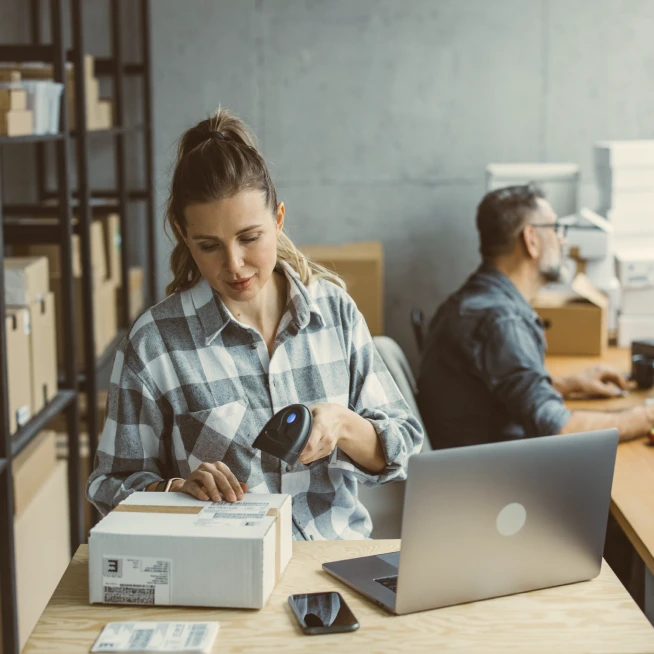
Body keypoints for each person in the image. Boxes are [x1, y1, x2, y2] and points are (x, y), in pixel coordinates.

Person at [87, 108, 423, 540]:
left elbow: (403, 450)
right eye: (209, 246)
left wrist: (343, 425)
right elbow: (109, 486)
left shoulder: (334, 313)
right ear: (183, 234)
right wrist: (173, 490)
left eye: (250, 238)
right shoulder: (155, 343)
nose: (234, 264)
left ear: (278, 219)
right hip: (228, 576)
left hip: (334, 566)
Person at [417, 183, 654, 450]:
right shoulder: (500, 320)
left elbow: (491, 390)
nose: (562, 240)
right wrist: (646, 416)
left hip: (473, 461)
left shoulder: (472, 301)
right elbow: (560, 429)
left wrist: (570, 384)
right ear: (530, 240)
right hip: (498, 476)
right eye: (555, 229)